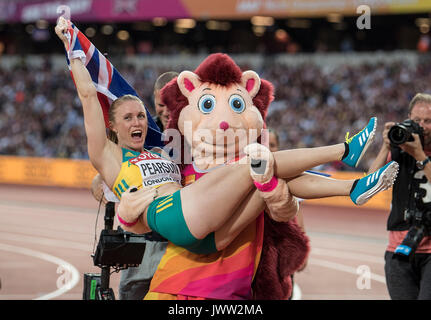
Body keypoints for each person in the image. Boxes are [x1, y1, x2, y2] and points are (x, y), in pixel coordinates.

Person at [56, 17, 397, 258]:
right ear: (112, 126)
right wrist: (71, 44)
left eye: (142, 116)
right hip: (175, 217)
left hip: (208, 237)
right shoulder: (108, 155)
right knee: (256, 162)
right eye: (129, 117)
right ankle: (345, 150)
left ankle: (354, 187)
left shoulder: (161, 149)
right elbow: (88, 96)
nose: (139, 122)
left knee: (273, 178)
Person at [368, 93, 431, 300]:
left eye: (428, 121)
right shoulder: (398, 149)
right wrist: (387, 145)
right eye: (416, 121)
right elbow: (368, 186)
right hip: (399, 248)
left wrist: (420, 155)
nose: (422, 126)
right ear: (408, 119)